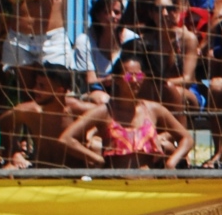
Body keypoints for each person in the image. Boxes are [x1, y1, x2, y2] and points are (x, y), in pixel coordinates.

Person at [61, 53, 192, 169]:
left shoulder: (154, 110)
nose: (135, 81)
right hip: (116, 187)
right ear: (116, 79)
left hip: (149, 186)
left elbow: (187, 138)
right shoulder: (104, 112)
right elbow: (66, 139)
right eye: (129, 76)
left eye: (139, 75)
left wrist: (171, 162)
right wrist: (96, 158)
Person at [0, 65, 88, 165]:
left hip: (77, 174)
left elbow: (106, 115)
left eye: (42, 86)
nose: (35, 89)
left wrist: (93, 135)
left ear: (59, 91)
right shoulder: (29, 111)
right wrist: (14, 152)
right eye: (36, 84)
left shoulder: (78, 110)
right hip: (40, 173)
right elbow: (2, 124)